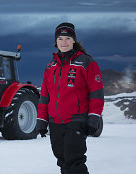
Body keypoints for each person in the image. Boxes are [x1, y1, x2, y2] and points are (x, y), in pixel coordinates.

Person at [36, 22, 104, 174]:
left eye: (67, 38)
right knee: (62, 160)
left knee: (74, 161)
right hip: (55, 122)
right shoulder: (50, 67)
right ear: (56, 42)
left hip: (77, 120)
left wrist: (94, 118)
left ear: (74, 40)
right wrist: (42, 120)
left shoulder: (86, 63)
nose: (64, 42)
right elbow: (45, 96)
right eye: (60, 39)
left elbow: (96, 93)